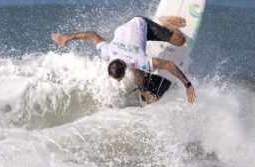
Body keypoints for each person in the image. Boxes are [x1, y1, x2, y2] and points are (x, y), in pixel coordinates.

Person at [51, 16, 196, 104]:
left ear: (124, 70)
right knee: (138, 72)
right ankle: (143, 89)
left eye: (119, 78)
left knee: (180, 40)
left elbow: (168, 64)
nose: (119, 80)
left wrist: (188, 85)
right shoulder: (107, 52)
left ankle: (166, 21)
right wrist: (68, 37)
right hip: (127, 27)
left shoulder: (139, 60)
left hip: (142, 24)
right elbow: (91, 34)